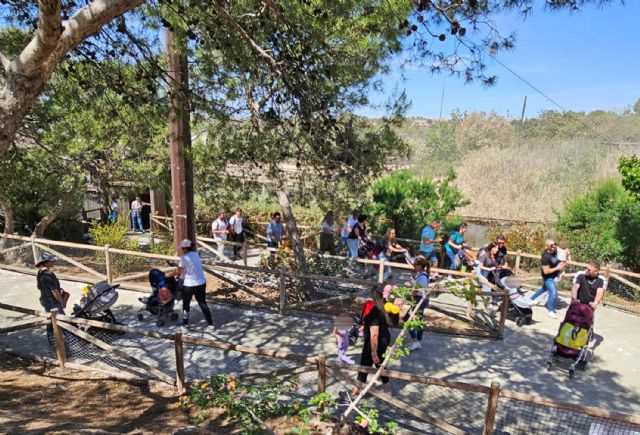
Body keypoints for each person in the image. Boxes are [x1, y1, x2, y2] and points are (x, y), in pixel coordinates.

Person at [352, 285, 392, 396]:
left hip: (373, 343)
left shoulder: (375, 310)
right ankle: (387, 390)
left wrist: (373, 352)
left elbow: (374, 334)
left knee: (364, 366)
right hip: (384, 340)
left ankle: (354, 394)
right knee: (380, 365)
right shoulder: (385, 307)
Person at [167, 239, 214, 330]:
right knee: (202, 303)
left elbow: (179, 271)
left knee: (186, 304)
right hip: (201, 282)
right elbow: (191, 267)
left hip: (189, 284)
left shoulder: (184, 258)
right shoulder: (196, 255)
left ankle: (185, 324)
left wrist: (168, 275)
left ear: (184, 248)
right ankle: (211, 324)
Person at [35, 252, 69, 343]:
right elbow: (54, 291)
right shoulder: (49, 274)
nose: (53, 261)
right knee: (63, 321)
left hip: (45, 300)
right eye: (51, 260)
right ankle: (71, 341)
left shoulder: (40, 273)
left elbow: (41, 287)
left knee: (50, 320)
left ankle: (51, 340)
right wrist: (62, 301)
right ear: (46, 262)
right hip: (52, 301)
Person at [529, 239, 566, 319]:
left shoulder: (554, 252)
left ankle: (530, 299)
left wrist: (561, 269)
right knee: (552, 291)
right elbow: (546, 271)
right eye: (551, 245)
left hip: (554, 275)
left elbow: (557, 261)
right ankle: (550, 310)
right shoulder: (545, 257)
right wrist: (557, 268)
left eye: (555, 244)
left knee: (544, 288)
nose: (554, 246)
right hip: (548, 277)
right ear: (547, 247)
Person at [408, 255, 430, 351]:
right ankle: (418, 341)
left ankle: (415, 341)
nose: (414, 267)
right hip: (422, 299)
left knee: (408, 319)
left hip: (419, 300)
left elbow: (416, 290)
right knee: (419, 320)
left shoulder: (422, 276)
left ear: (420, 265)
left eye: (416, 265)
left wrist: (409, 293)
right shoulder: (422, 274)